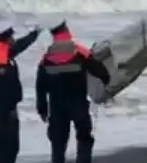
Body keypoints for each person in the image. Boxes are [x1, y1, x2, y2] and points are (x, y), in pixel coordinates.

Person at [36, 21, 111, 163]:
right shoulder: (79, 51)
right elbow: (100, 71)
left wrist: (42, 109)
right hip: (78, 104)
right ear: (66, 31)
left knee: (58, 143)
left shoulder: (46, 58)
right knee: (84, 138)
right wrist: (107, 83)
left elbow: (40, 86)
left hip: (57, 107)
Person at [0, 25, 41, 163]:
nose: (13, 39)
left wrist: (34, 34)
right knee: (7, 146)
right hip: (4, 110)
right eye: (11, 37)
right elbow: (2, 88)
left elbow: (19, 45)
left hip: (7, 108)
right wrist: (8, 109)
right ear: (5, 40)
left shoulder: (4, 54)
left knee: (7, 145)